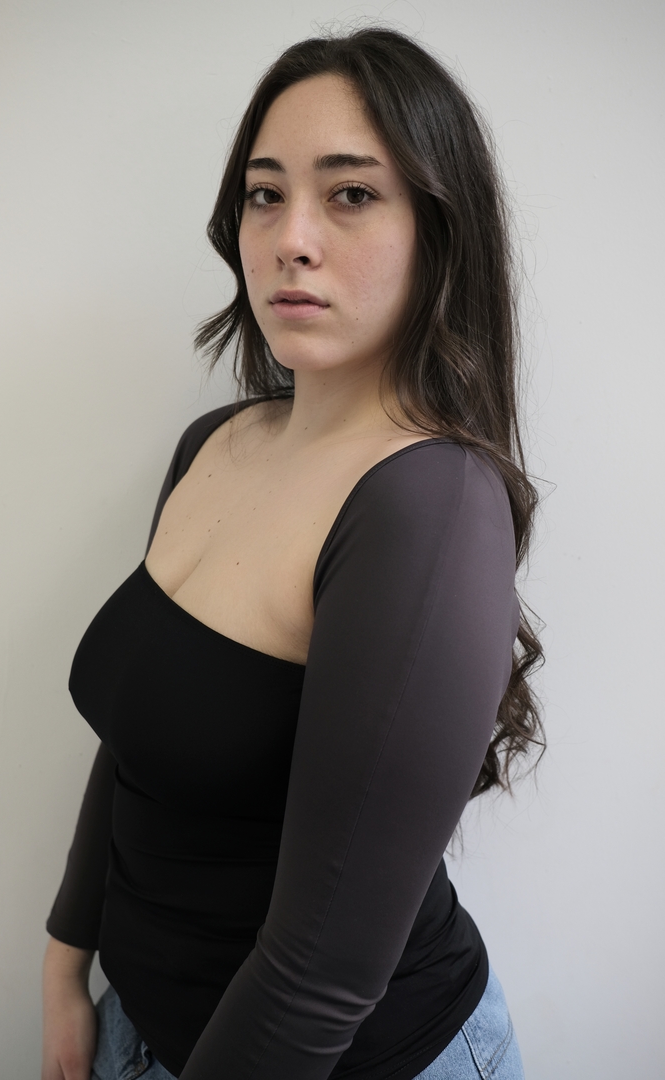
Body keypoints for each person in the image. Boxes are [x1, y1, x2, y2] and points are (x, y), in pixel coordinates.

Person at [41, 26, 544, 1080]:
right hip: (141, 1027)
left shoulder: (429, 507)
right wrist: (63, 969)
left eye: (351, 194)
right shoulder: (214, 444)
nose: (291, 239)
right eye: (265, 195)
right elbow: (136, 740)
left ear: (440, 229)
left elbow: (322, 976)